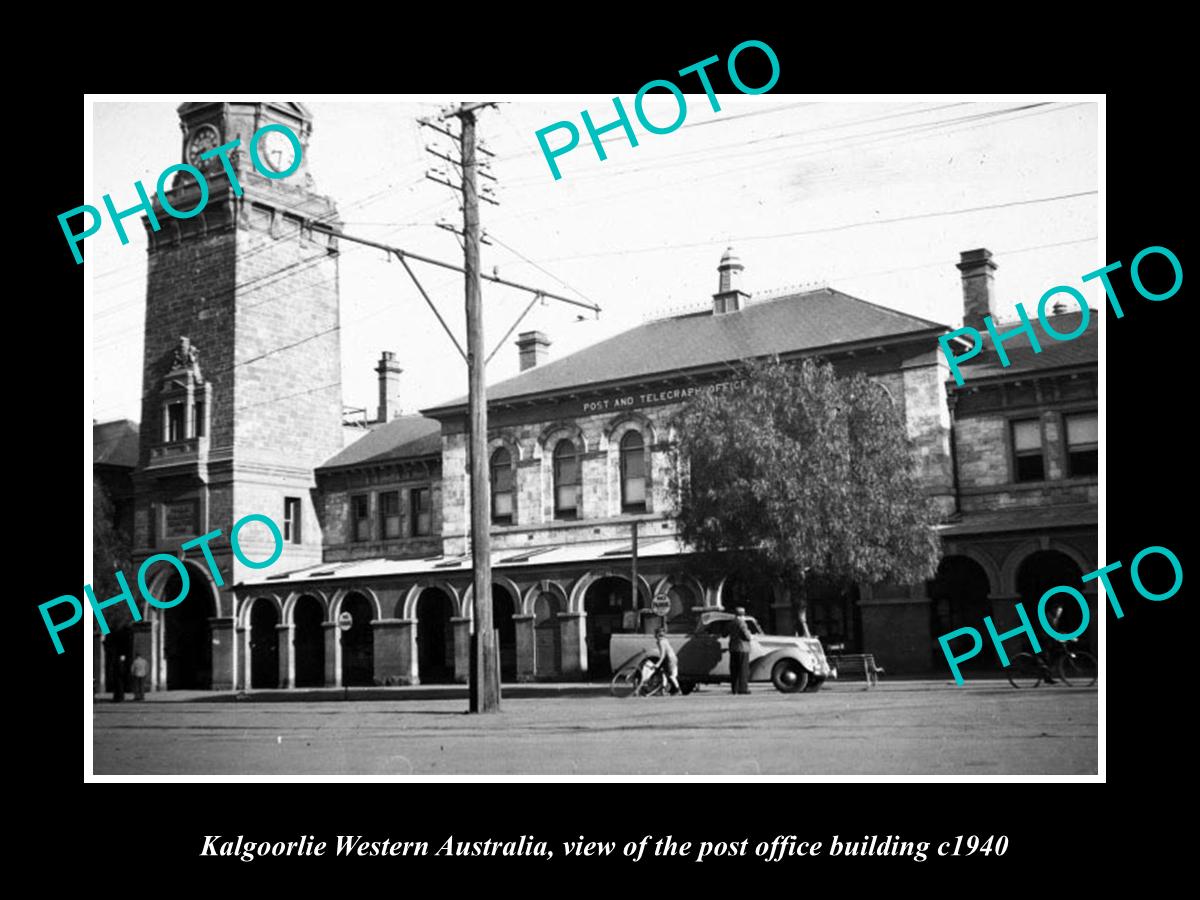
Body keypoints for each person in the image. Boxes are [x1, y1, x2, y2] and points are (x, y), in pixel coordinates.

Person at [729, 608, 755, 695]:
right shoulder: (742, 623)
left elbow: (725, 633)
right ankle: (743, 688)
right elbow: (747, 636)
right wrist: (751, 636)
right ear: (742, 615)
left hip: (733, 648)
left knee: (734, 670)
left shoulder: (731, 623)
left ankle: (734, 689)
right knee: (743, 669)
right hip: (743, 648)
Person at [652, 628, 681, 696]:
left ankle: (677, 689)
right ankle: (664, 689)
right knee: (664, 674)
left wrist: (658, 664)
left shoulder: (661, 642)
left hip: (669, 659)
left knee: (671, 676)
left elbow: (662, 654)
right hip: (673, 658)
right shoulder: (665, 640)